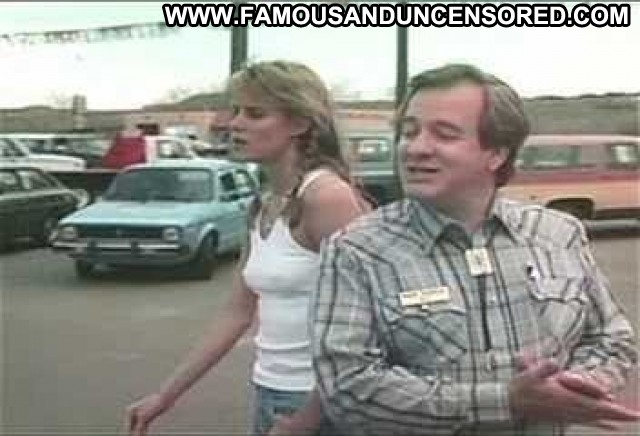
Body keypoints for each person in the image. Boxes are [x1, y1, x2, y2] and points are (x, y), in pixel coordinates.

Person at [310, 63, 639, 435]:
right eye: (409, 132)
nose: (416, 148)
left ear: (496, 153)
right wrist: (505, 401)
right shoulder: (357, 250)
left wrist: (577, 385)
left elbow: (611, 337)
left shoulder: (558, 233)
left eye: (444, 134)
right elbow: (347, 387)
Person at [126, 60, 371, 436]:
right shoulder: (263, 205)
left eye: (255, 114)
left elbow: (371, 325)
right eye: (237, 110)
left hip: (324, 408)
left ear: (300, 123)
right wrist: (164, 396)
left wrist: (305, 421)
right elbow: (236, 314)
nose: (235, 123)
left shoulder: (327, 197)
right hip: (270, 392)